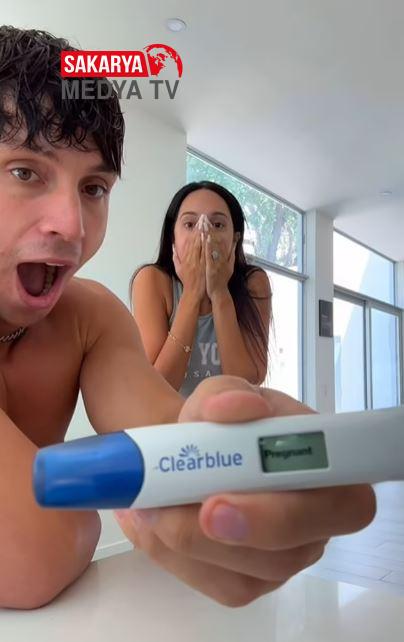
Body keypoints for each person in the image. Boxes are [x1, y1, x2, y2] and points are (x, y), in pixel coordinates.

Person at [0, 25, 376, 611]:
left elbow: (177, 437)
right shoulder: (147, 284)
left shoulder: (89, 315)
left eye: (94, 187)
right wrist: (87, 520)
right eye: (25, 172)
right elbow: (37, 556)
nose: (72, 226)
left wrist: (245, 473)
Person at [131, 182, 272, 396]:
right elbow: (158, 386)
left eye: (218, 225)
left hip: (231, 414)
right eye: (190, 224)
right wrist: (192, 292)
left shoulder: (253, 282)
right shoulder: (152, 281)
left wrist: (220, 292)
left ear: (235, 239)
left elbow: (247, 383)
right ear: (173, 237)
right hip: (172, 416)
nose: (204, 234)